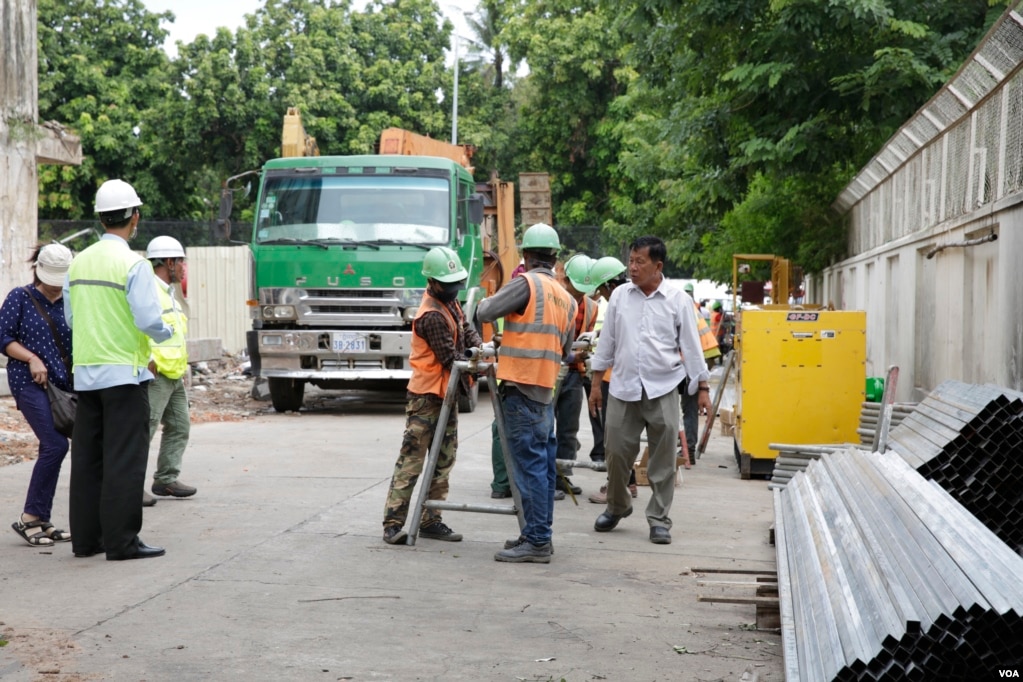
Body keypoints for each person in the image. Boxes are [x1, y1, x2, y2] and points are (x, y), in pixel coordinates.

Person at [64, 179, 174, 561]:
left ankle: (85, 542)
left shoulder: (77, 261)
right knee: (124, 461)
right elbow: (148, 320)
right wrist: (167, 330)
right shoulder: (134, 263)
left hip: (87, 375)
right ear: (134, 217)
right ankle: (122, 543)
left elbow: (71, 317)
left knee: (88, 461)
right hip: (125, 376)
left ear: (99, 217)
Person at [588, 236, 710, 545]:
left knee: (664, 459)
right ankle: (617, 507)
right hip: (623, 387)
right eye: (630, 260)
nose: (632, 267)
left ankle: (658, 519)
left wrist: (703, 387)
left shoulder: (678, 300)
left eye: (640, 262)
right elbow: (607, 343)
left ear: (658, 266)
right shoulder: (619, 296)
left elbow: (691, 348)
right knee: (615, 451)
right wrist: (595, 383)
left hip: (663, 388)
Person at [477, 223, 576, 563]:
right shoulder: (566, 298)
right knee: (543, 470)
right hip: (545, 393)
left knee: (529, 469)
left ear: (527, 256)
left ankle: (535, 542)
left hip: (521, 389)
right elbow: (564, 347)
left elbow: (485, 311)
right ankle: (537, 535)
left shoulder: (527, 283)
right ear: (555, 257)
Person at [382, 247, 483, 545]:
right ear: (433, 282)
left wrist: (480, 348)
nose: (455, 289)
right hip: (426, 397)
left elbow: (466, 328)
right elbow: (450, 359)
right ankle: (392, 524)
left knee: (443, 460)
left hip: (446, 396)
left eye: (456, 282)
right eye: (449, 284)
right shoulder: (431, 316)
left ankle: (430, 519)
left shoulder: (450, 304)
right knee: (411, 461)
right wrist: (476, 362)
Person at [2, 244, 75, 547]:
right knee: (55, 444)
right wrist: (31, 357)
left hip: (62, 386)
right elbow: (2, 337)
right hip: (28, 382)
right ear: (38, 271)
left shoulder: (71, 301)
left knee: (59, 447)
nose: (56, 284)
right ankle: (30, 517)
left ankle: (41, 518)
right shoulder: (20, 297)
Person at [144, 236, 197, 501]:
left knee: (179, 426)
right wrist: (146, 361)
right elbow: (139, 328)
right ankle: (128, 486)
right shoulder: (148, 291)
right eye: (181, 262)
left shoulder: (168, 293)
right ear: (168, 262)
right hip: (156, 374)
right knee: (145, 429)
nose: (184, 268)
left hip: (173, 373)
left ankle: (166, 479)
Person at [553, 253, 599, 495]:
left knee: (568, 429)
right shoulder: (555, 300)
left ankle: (563, 476)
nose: (579, 294)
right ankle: (546, 477)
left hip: (573, 373)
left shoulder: (592, 307)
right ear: (565, 279)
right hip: (550, 372)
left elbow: (586, 338)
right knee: (543, 429)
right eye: (575, 288)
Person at [680, 282, 721, 464]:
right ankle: (687, 448)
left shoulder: (683, 309)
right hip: (699, 363)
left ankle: (684, 449)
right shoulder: (694, 310)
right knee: (689, 409)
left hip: (690, 365)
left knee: (683, 409)